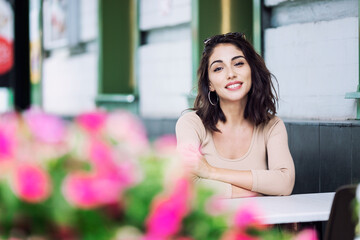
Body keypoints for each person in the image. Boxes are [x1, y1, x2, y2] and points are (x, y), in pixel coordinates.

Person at [175, 32, 295, 198]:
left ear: (252, 70)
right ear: (210, 84)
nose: (230, 74)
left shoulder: (272, 125)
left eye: (238, 64)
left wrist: (211, 172)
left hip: (262, 223)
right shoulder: (190, 124)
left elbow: (285, 183)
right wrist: (258, 192)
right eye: (218, 68)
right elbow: (189, 186)